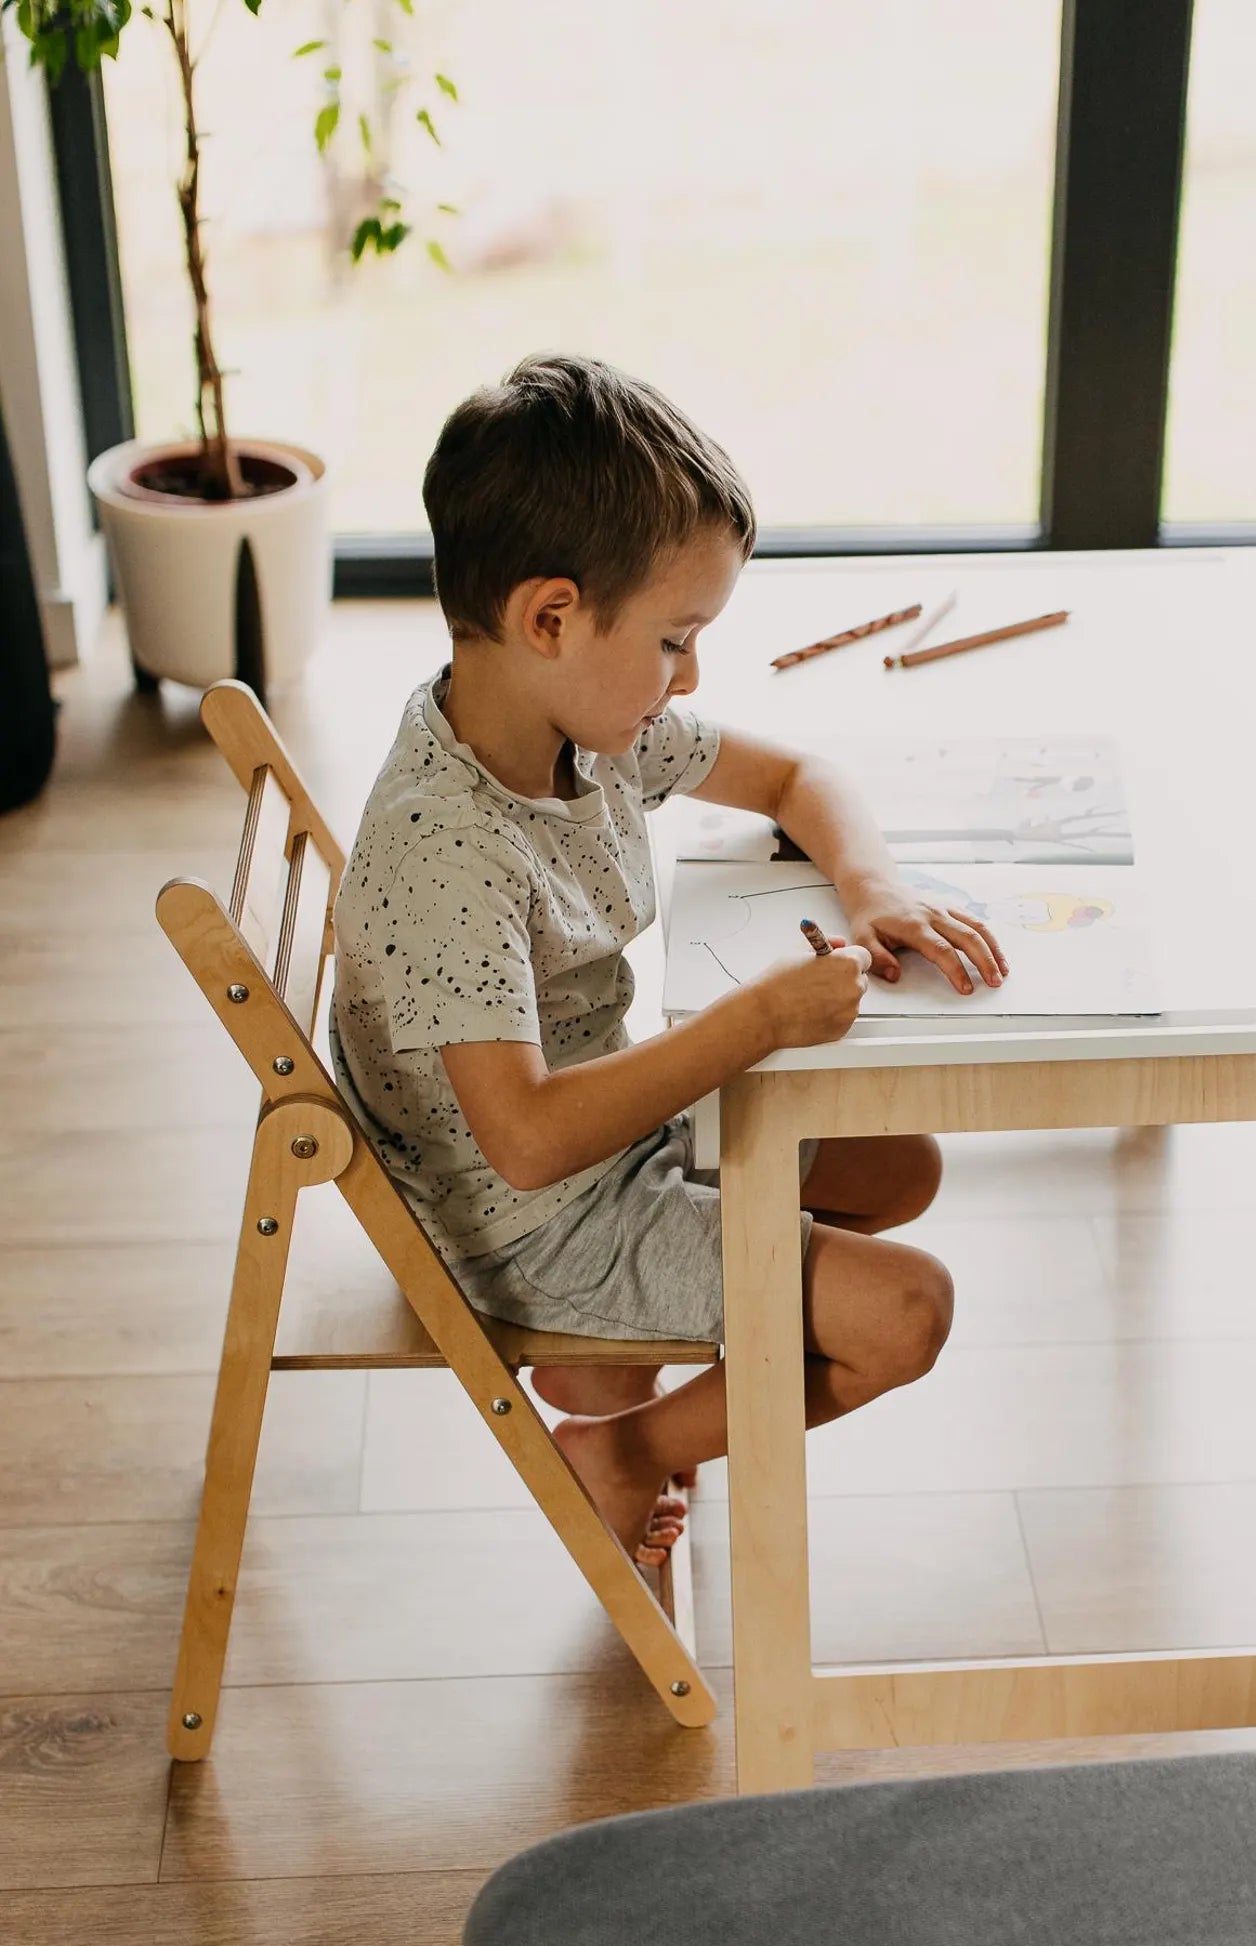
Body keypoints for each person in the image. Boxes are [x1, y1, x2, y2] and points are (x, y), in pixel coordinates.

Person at [332, 355, 1006, 1565]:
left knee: (900, 1160)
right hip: (533, 1225)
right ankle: (624, 1444)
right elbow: (525, 1140)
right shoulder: (443, 844)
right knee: (908, 1310)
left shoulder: (568, 723)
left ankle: (626, 1369)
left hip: (611, 1135)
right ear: (551, 618)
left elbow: (798, 775)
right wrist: (755, 1022)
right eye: (674, 639)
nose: (689, 676)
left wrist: (877, 891)